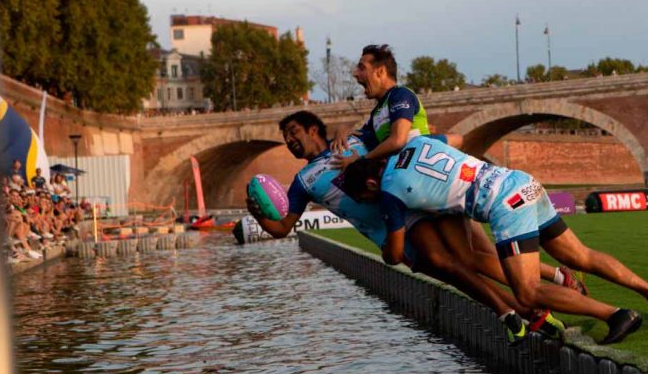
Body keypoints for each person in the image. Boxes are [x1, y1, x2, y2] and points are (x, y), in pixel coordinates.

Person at [247, 111, 585, 343]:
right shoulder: (302, 181)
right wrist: (258, 213)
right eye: (285, 136)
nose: (289, 140)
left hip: (418, 203)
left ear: (312, 129)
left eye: (293, 132)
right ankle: (536, 301)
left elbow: (394, 133)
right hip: (387, 229)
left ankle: (520, 307)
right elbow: (282, 228)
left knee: (463, 260)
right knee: (456, 266)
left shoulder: (355, 141)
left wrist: (345, 130)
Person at [340, 136, 648, 344]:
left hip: (504, 205)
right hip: (520, 180)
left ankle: (616, 314)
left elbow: (397, 252)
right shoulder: (417, 142)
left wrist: (385, 241)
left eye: (365, 199)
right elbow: (458, 142)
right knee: (580, 254)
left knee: (527, 291)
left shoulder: (387, 193)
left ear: (371, 186)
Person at [334, 44, 429, 171]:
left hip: (419, 170)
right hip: (402, 172)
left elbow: (398, 140)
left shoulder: (400, 94)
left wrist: (361, 161)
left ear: (380, 72)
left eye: (362, 68)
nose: (355, 74)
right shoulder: (377, 112)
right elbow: (359, 135)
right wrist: (342, 129)